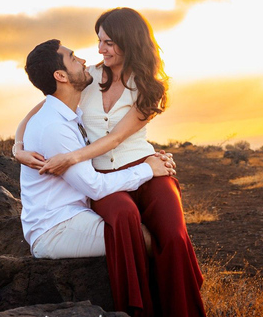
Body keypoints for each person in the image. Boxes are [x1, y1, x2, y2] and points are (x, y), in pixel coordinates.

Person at [16, 9, 260, 317]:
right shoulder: (87, 79)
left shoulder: (150, 87)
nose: (100, 50)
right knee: (127, 226)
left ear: (130, 43)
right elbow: (40, 107)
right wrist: (16, 148)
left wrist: (73, 156)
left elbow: (117, 137)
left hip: (148, 170)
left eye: (108, 42)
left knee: (174, 237)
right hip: (104, 181)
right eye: (98, 40)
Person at [19, 39, 172, 260]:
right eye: (73, 58)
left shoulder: (69, 115)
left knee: (144, 224)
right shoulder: (55, 127)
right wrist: (148, 169)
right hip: (55, 229)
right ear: (60, 76)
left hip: (72, 216)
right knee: (144, 237)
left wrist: (17, 149)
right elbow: (94, 186)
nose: (83, 60)